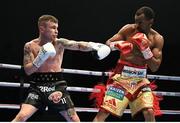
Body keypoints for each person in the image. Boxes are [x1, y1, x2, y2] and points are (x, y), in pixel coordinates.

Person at [12, 14, 111, 122]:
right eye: (53, 27)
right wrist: (40, 58)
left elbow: (78, 45)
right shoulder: (30, 46)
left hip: (57, 85)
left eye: (57, 28)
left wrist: (94, 46)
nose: (56, 31)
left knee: (74, 119)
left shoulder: (59, 43)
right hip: (37, 86)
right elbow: (27, 70)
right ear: (42, 28)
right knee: (21, 116)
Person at [92, 6, 164, 122]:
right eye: (136, 21)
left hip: (141, 80)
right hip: (121, 77)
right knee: (104, 112)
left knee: (149, 112)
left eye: (140, 22)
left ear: (151, 22)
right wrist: (117, 45)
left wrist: (145, 49)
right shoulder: (128, 29)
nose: (137, 25)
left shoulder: (157, 39)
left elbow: (155, 67)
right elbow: (108, 42)